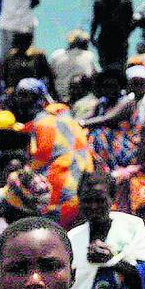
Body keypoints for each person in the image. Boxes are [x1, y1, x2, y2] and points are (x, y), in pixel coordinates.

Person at [12, 79, 94, 227]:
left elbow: (39, 160)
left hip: (62, 194)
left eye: (25, 95)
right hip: (86, 187)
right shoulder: (66, 115)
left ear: (39, 97)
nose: (20, 100)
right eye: (19, 96)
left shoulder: (41, 123)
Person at [90, 0, 136, 72]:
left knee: (120, 68)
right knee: (105, 69)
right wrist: (92, 37)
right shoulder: (99, 3)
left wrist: (125, 35)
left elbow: (131, 22)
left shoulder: (126, 2)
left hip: (120, 42)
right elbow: (95, 21)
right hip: (104, 42)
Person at [49, 32, 100, 103]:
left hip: (58, 98)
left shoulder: (56, 55)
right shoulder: (89, 56)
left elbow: (50, 76)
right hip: (82, 99)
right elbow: (96, 76)